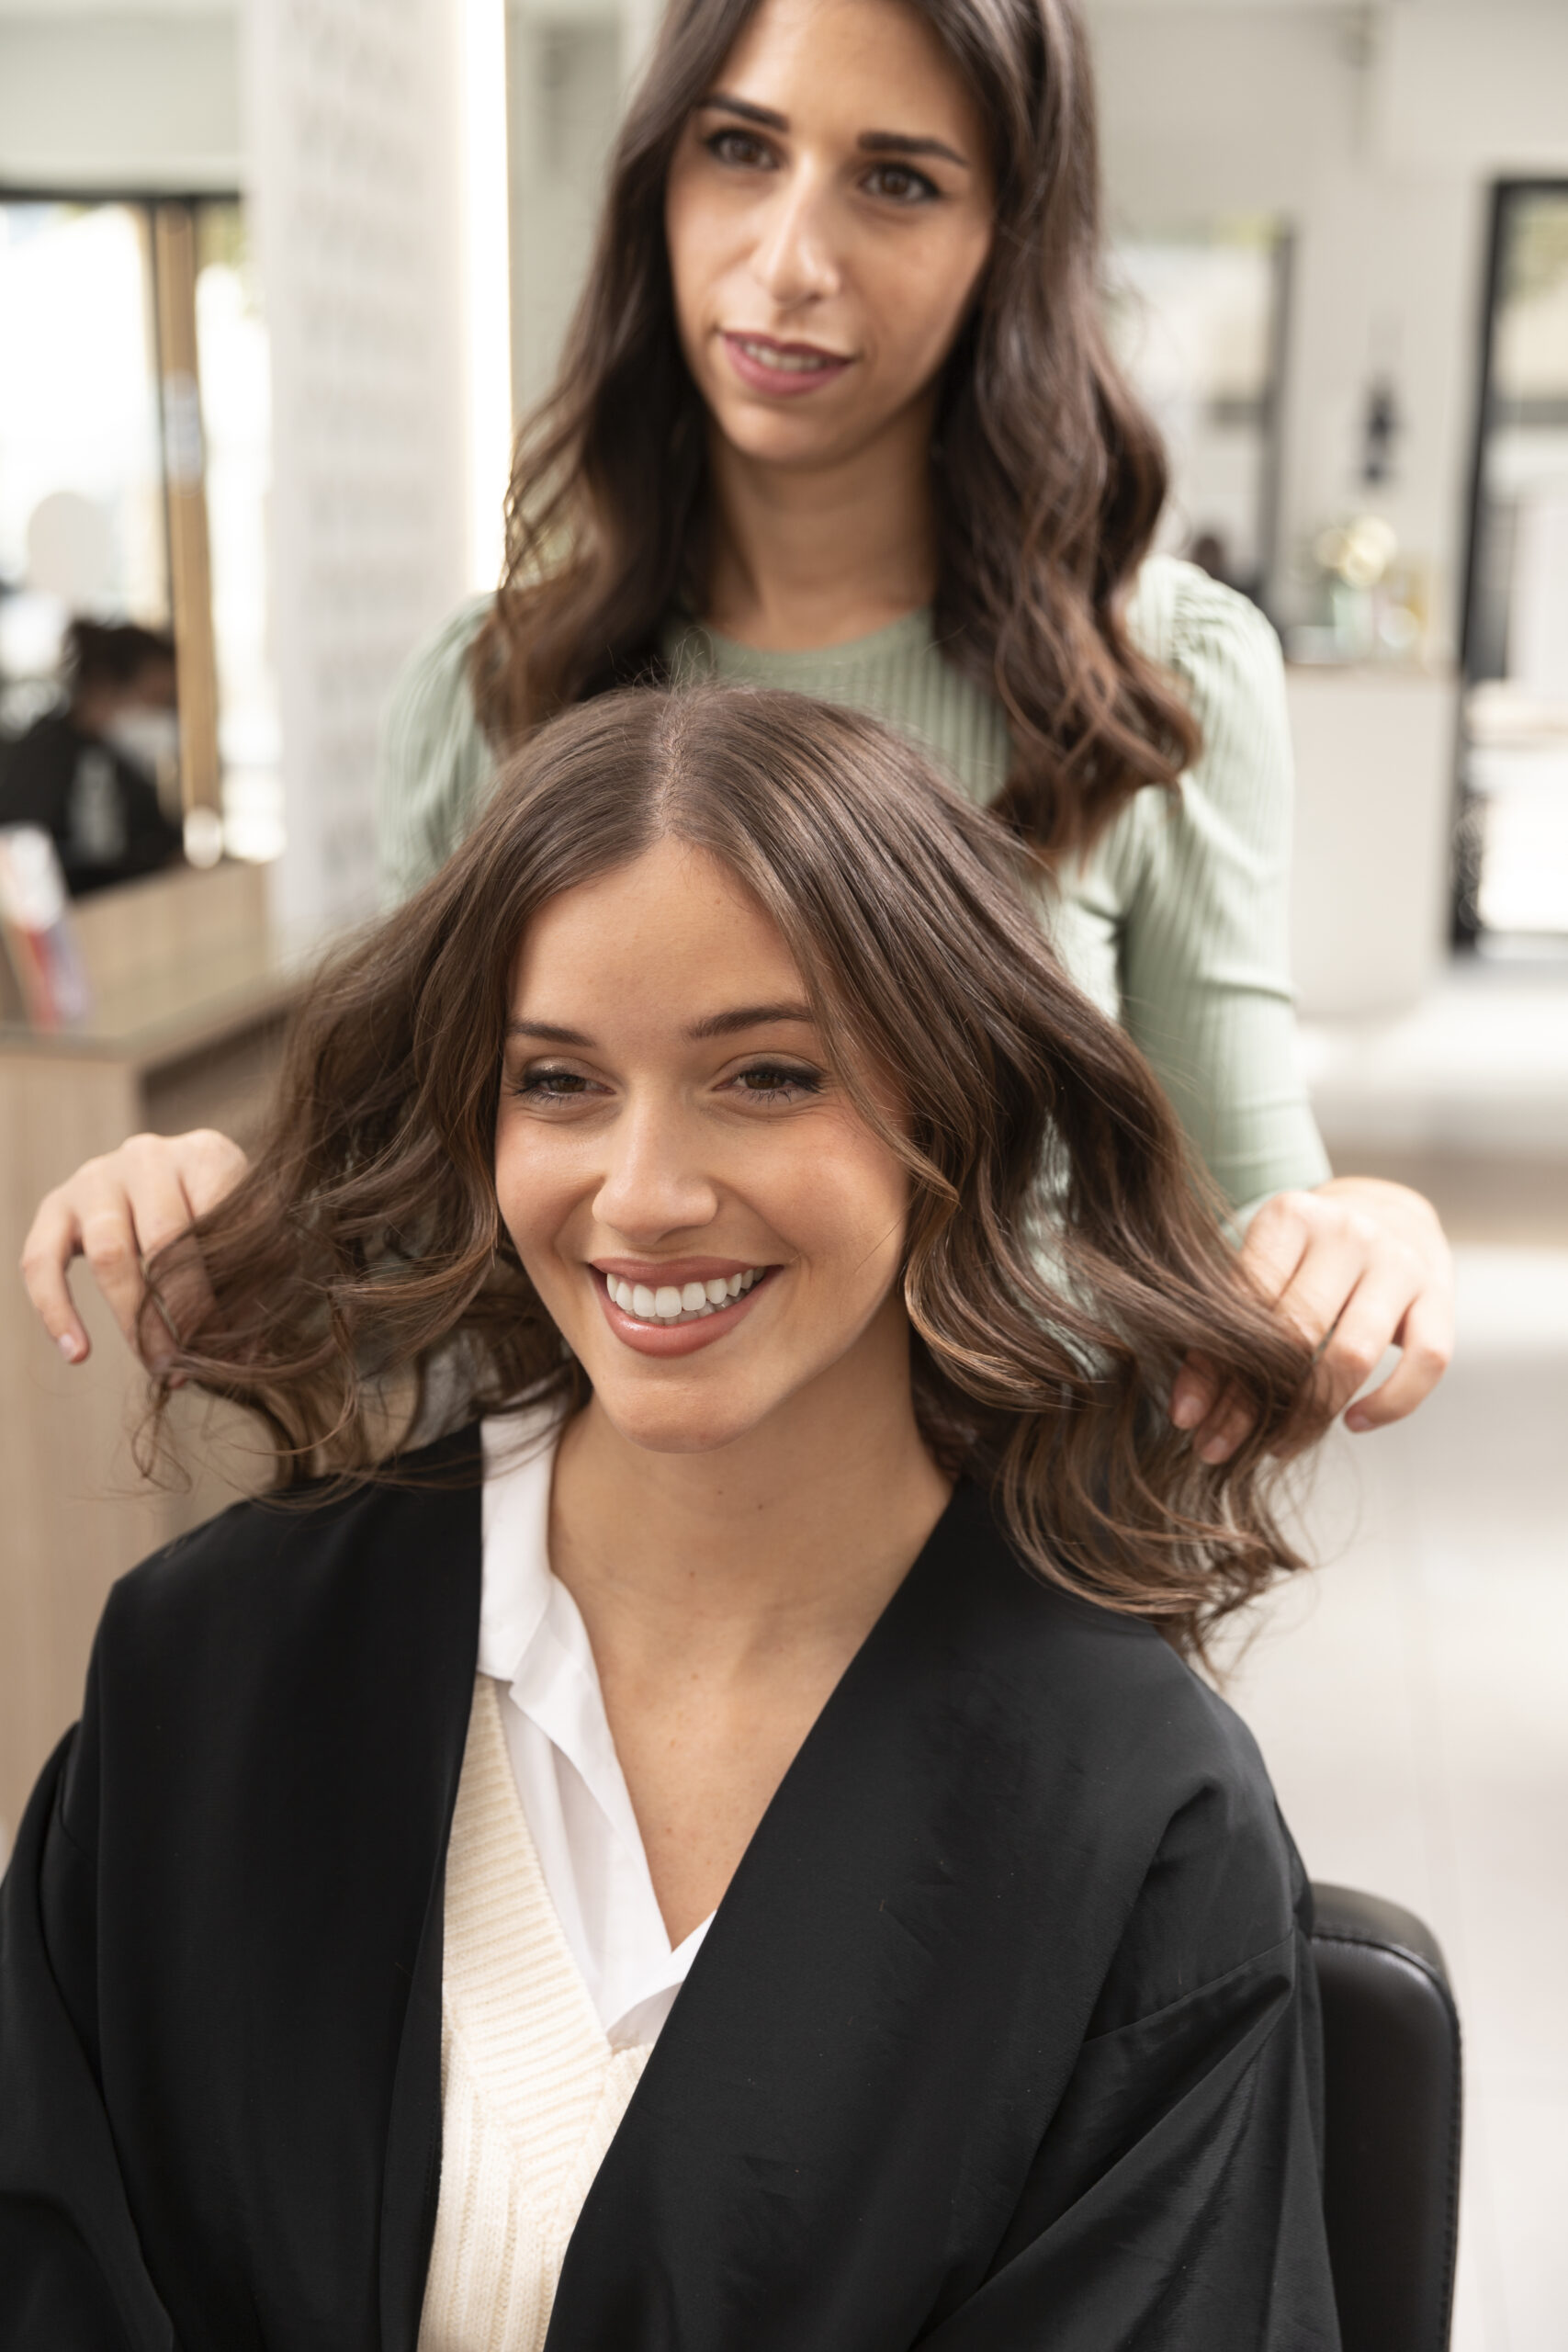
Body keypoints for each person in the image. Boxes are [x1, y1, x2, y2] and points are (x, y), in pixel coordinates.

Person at [0, 687, 1340, 2348]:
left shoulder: (1131, 1818)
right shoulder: (212, 1674)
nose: (639, 1193)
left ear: (953, 1103)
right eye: (558, 1083)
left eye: (765, 1076)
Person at [19, 0, 1450, 1460]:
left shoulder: (1157, 671)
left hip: (1006, 1568)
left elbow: (1241, 1224)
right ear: (657, 181)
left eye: (895, 179)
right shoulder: (488, 686)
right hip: (600, 1597)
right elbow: (420, 1238)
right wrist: (223, 1212)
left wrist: (1360, 1238)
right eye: (738, 149)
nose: (787, 262)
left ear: (1005, 238)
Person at [0, 618, 184, 896]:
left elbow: (163, 844)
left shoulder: (122, 765)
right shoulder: (40, 758)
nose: (157, 716)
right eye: (154, 697)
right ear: (104, 685)